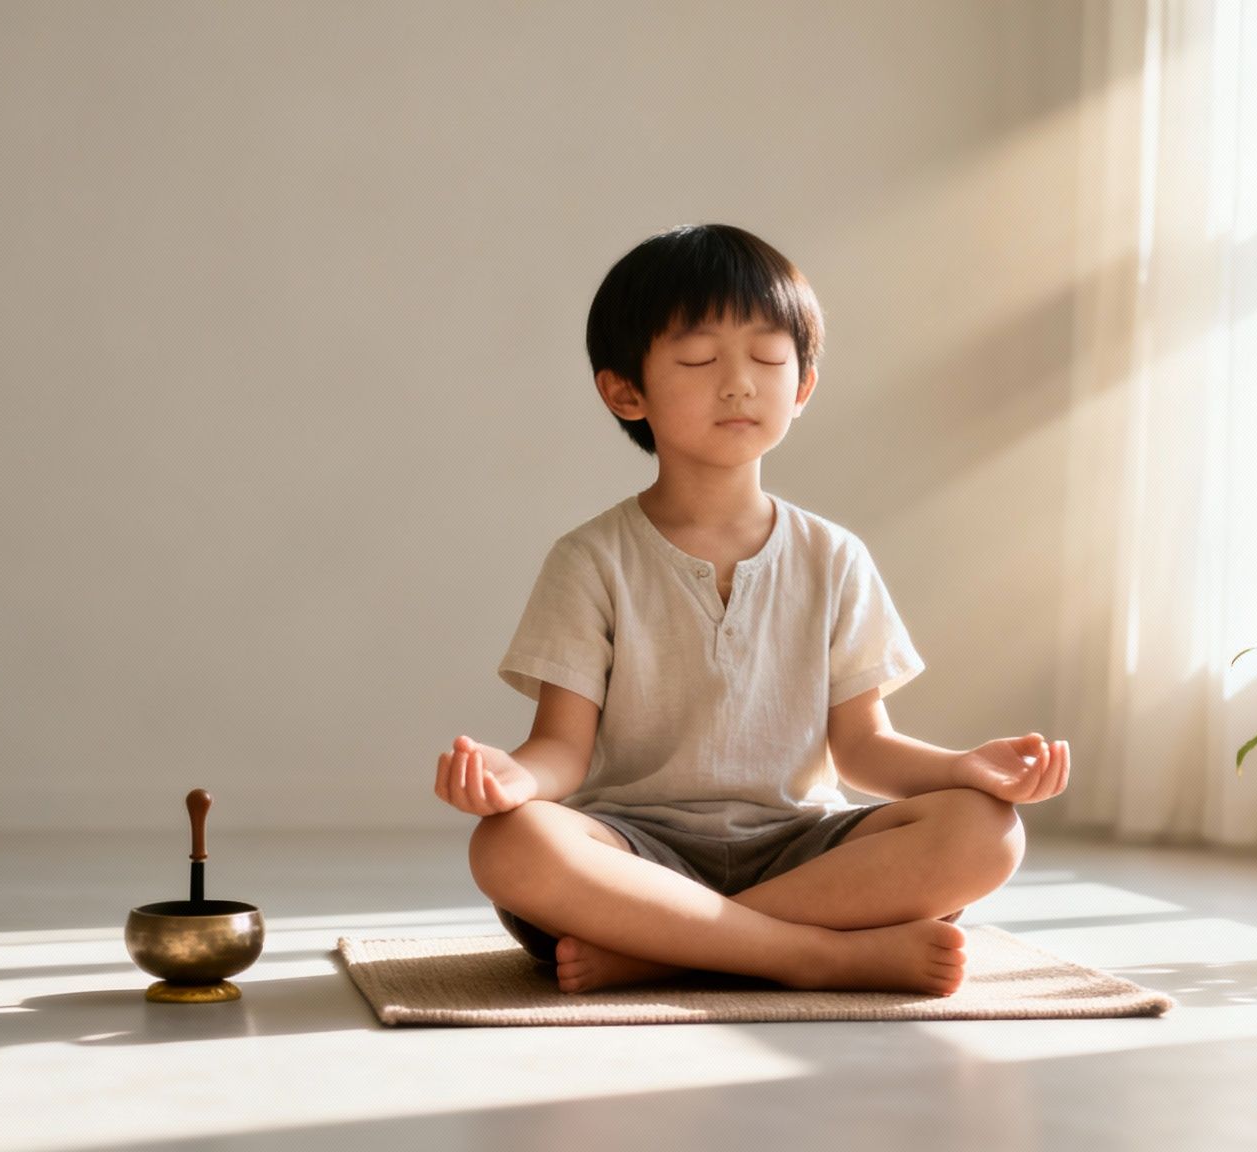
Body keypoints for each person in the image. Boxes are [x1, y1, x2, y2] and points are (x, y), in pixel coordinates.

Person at [433, 223, 1070, 996]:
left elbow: (863, 748)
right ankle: (816, 956)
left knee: (987, 829)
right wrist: (511, 781)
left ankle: (670, 951)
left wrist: (961, 768)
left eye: (768, 358)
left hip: (803, 847)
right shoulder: (590, 559)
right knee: (509, 845)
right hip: (634, 854)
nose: (739, 383)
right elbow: (561, 751)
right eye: (700, 360)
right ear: (624, 390)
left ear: (801, 386)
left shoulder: (834, 557)